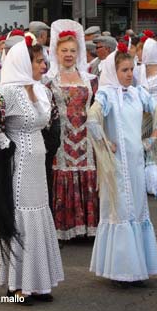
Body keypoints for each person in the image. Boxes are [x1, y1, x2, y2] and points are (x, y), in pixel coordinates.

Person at [0, 37, 63, 303]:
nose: (43, 65)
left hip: (39, 161)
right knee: (22, 218)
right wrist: (6, 146)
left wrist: (50, 146)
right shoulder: (7, 93)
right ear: (24, 63)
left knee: (39, 214)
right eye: (38, 61)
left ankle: (37, 282)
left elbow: (53, 122)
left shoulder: (42, 91)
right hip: (19, 165)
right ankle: (16, 286)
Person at [87, 44, 157, 287]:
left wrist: (151, 140)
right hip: (117, 166)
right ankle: (121, 270)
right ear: (113, 71)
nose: (129, 74)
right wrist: (105, 142)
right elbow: (93, 119)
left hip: (135, 163)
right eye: (124, 69)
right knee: (121, 211)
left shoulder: (137, 93)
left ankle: (138, 267)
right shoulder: (106, 95)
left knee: (137, 211)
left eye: (132, 69)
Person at [43, 19, 99, 240]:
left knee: (87, 174)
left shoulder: (90, 80)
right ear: (56, 52)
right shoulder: (49, 81)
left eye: (72, 51)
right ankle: (65, 228)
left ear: (79, 53)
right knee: (62, 174)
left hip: (86, 139)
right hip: (62, 139)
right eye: (64, 50)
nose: (68, 54)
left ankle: (87, 228)